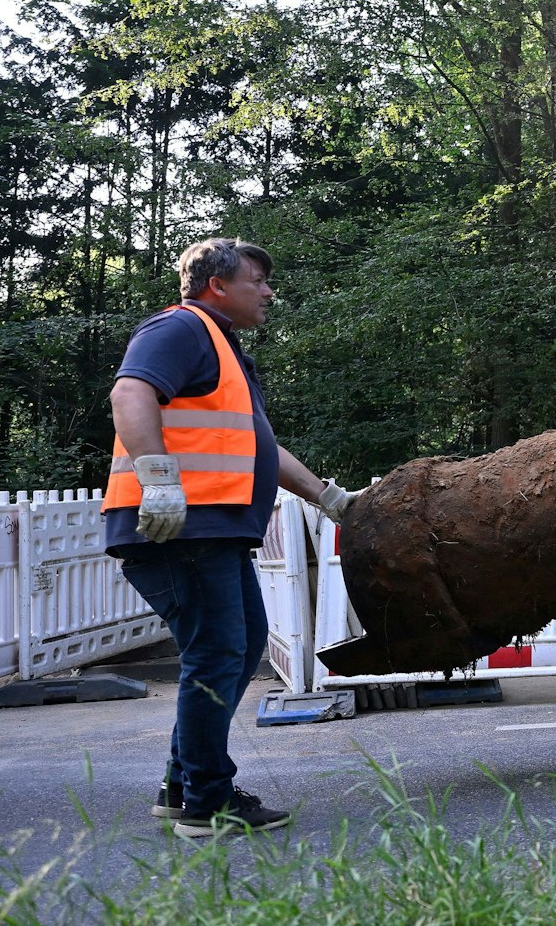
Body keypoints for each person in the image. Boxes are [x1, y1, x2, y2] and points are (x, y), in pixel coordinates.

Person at [104, 238, 362, 836]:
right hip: (180, 528)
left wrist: (327, 497)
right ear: (217, 285)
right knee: (219, 653)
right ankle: (207, 803)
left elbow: (257, 445)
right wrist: (158, 480)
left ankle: (183, 788)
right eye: (257, 281)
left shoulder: (221, 347)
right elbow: (129, 392)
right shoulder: (180, 328)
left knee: (237, 649)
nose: (268, 292)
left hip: (207, 530)